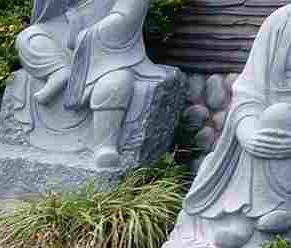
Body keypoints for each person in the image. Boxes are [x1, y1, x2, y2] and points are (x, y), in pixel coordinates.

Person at [177, 0, 291, 248]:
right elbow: (250, 87)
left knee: (282, 119)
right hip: (269, 118)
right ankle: (250, 210)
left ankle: (276, 211)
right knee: (272, 120)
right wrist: (247, 130)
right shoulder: (280, 20)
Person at [12, 0, 172, 172]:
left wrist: (85, 37)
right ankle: (58, 70)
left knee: (115, 83)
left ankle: (105, 147)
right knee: (28, 37)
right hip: (70, 32)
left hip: (111, 52)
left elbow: (124, 19)